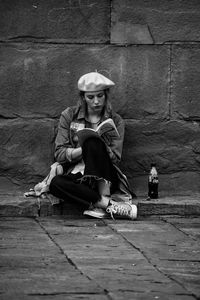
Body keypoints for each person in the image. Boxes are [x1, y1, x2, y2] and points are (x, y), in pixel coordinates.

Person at [49, 72, 137, 219]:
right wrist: (84, 150)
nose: (96, 101)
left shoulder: (116, 120)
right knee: (55, 184)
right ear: (83, 97)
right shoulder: (69, 116)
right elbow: (59, 153)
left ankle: (99, 199)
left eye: (100, 96)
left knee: (93, 143)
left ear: (106, 95)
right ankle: (108, 206)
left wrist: (100, 148)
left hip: (107, 179)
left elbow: (115, 158)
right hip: (79, 176)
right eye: (91, 97)